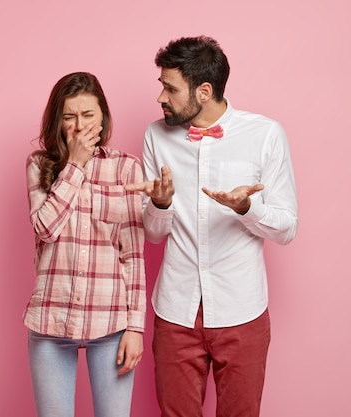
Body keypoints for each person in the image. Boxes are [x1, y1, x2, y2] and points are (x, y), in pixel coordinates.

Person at [126, 36, 298, 417]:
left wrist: (247, 208)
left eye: (170, 88)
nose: (161, 98)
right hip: (176, 311)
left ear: (204, 91)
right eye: (161, 86)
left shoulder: (265, 135)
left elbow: (287, 227)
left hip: (243, 310)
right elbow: (154, 234)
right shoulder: (156, 136)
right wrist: (161, 202)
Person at [23, 72, 146, 417]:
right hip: (51, 318)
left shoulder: (126, 168)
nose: (79, 126)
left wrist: (135, 327)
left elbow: (133, 255)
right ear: (57, 121)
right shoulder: (39, 165)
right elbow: (45, 228)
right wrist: (75, 165)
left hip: (109, 322)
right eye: (69, 116)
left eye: (88, 115)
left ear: (103, 117)